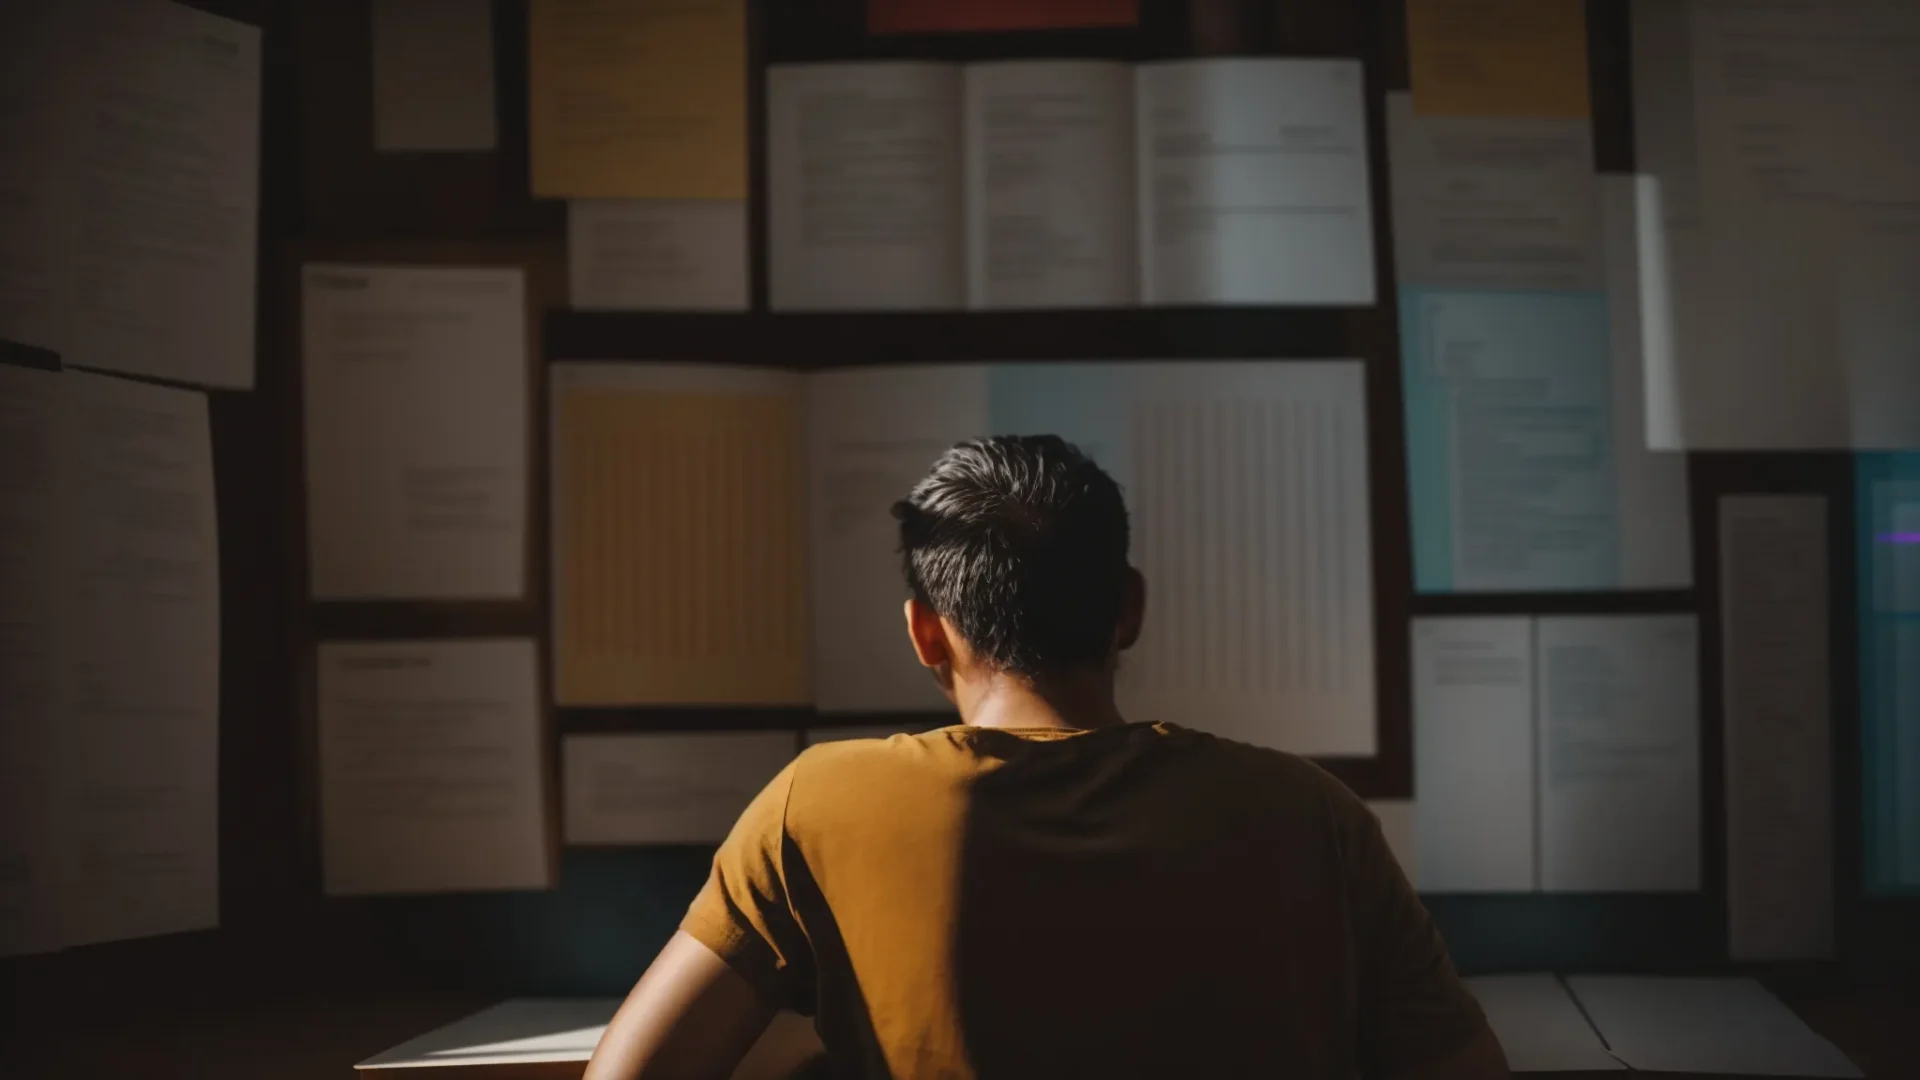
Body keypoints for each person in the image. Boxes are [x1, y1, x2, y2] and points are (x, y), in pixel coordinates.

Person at [584, 435, 1509, 1080]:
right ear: (1130, 608)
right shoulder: (1310, 812)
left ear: (923, 633)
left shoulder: (816, 807)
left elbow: (629, 1075)